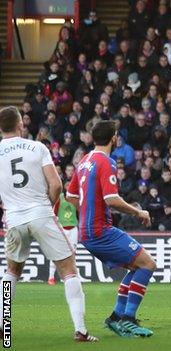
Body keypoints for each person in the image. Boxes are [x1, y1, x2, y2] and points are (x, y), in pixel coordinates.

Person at [0, 106, 98, 342]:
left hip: (14, 218)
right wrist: (48, 205)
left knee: (11, 272)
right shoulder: (37, 147)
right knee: (68, 270)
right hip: (41, 213)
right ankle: (81, 329)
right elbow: (56, 186)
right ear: (20, 124)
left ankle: (2, 324)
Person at [66, 120, 156, 338]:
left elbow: (70, 197)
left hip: (87, 231)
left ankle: (116, 317)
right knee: (148, 264)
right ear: (114, 137)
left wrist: (88, 211)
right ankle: (128, 319)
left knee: (136, 267)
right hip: (100, 230)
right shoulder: (107, 162)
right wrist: (139, 212)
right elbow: (112, 199)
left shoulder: (84, 161)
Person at [48, 182, 81, 285]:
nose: (70, 188)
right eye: (68, 186)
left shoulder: (77, 199)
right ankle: (51, 277)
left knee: (72, 254)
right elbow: (54, 213)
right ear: (65, 188)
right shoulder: (60, 198)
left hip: (73, 229)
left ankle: (69, 277)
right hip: (62, 228)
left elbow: (80, 213)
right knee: (57, 253)